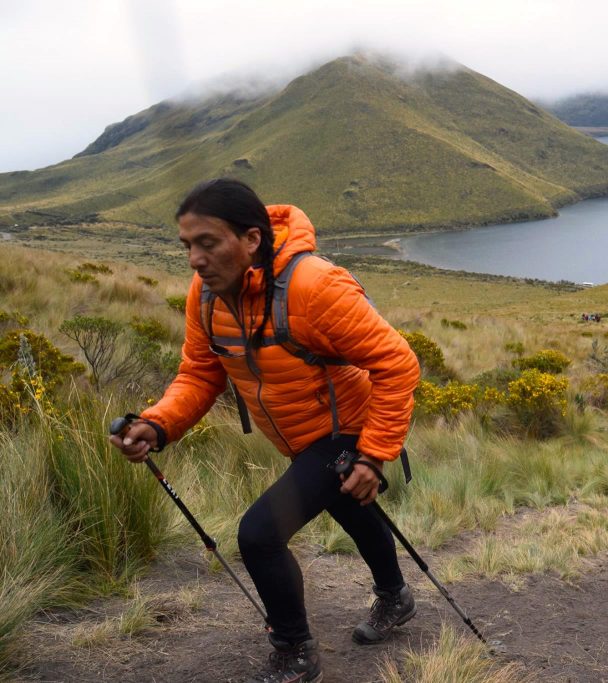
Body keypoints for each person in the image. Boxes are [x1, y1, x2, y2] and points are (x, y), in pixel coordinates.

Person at [108, 179, 421, 683]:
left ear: (251, 239)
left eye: (208, 243)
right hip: (299, 435)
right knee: (349, 506)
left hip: (347, 426)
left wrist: (372, 455)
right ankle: (396, 596)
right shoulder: (207, 295)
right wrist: (156, 423)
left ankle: (294, 649)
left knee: (259, 534)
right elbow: (199, 373)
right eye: (187, 245)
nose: (195, 259)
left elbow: (398, 364)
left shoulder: (314, 286)